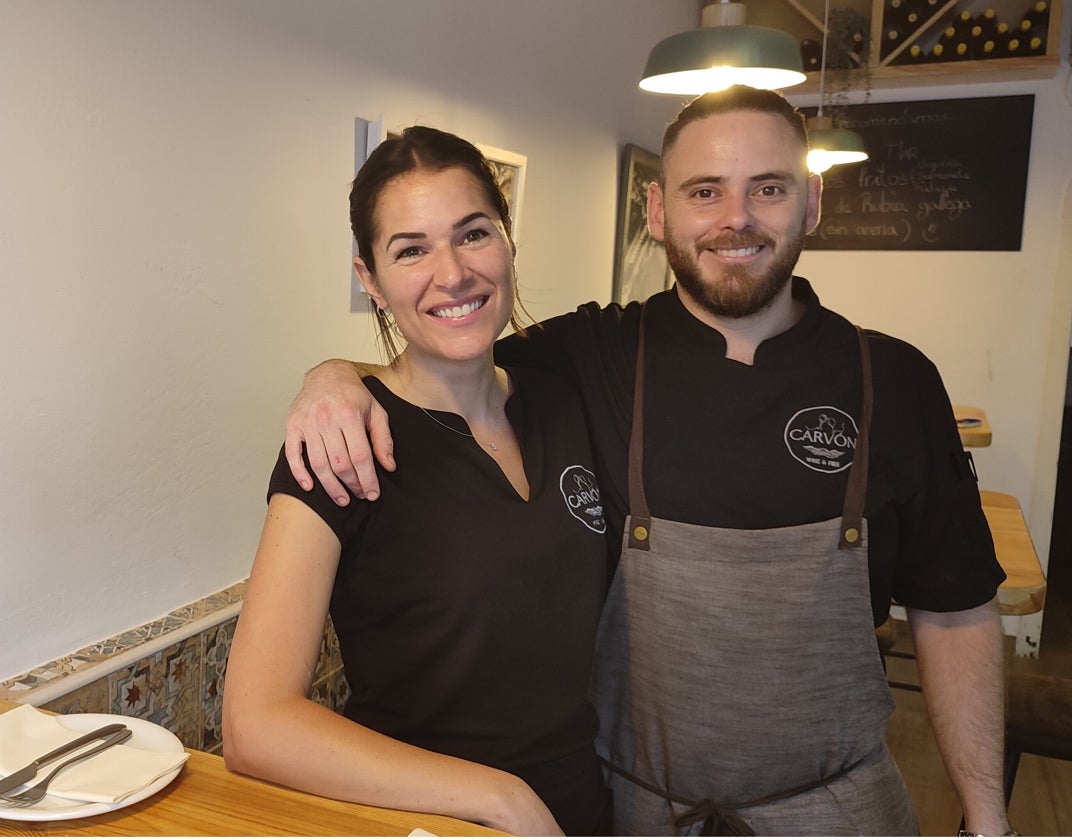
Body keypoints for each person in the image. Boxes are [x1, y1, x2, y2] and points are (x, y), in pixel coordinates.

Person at [280, 87, 1015, 836]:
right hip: (636, 813)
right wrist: (333, 375)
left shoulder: (893, 380)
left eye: (769, 188)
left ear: (813, 202)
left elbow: (955, 611)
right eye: (706, 191)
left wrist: (987, 821)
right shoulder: (585, 358)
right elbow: (437, 355)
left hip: (837, 812)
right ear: (659, 211)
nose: (736, 218)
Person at [222, 125, 611, 837]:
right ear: (369, 278)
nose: (453, 272)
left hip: (582, 814)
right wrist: (501, 799)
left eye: (472, 234)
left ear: (508, 240)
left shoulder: (562, 399)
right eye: (411, 249)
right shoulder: (340, 441)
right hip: (429, 824)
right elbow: (254, 724)